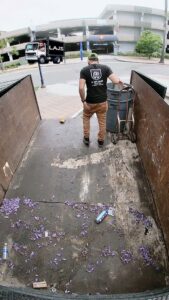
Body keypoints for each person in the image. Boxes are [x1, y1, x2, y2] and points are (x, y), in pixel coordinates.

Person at [79, 52, 123, 147]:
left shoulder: (84, 70)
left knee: (86, 118)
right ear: (98, 60)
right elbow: (116, 81)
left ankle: (86, 138)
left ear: (88, 61)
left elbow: (81, 88)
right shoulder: (105, 68)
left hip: (89, 102)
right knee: (102, 121)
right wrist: (120, 82)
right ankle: (101, 141)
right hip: (102, 102)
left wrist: (83, 101)